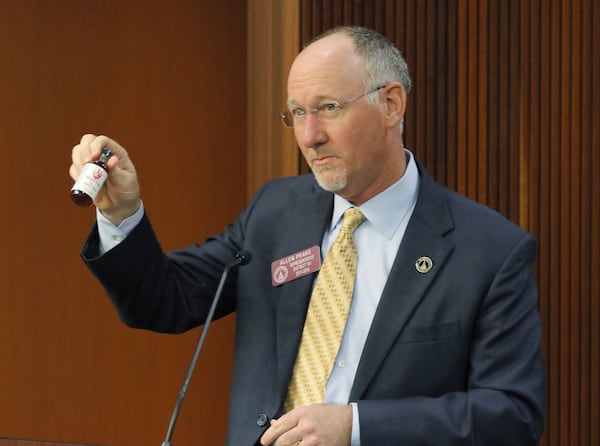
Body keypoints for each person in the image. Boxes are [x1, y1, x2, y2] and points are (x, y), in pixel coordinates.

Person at [69, 26, 544, 446]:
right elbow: (164, 301)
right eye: (297, 113)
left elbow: (512, 415)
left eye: (328, 109)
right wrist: (122, 213)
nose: (309, 135)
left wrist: (356, 428)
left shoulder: (489, 251)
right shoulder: (276, 213)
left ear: (391, 105)